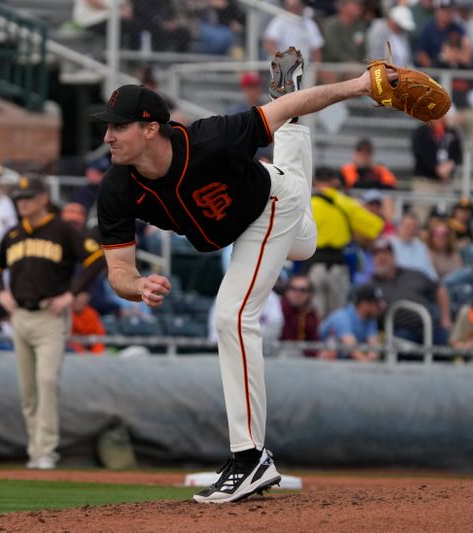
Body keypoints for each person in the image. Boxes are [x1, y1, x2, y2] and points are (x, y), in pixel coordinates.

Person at [92, 48, 388, 503]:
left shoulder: (211, 139)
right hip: (253, 212)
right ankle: (292, 148)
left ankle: (250, 457)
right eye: (107, 125)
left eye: (118, 125)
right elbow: (119, 272)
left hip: (269, 205)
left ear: (151, 128)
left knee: (231, 316)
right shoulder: (116, 186)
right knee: (304, 247)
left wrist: (362, 85)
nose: (108, 135)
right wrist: (137, 285)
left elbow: (286, 108)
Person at [0, 177, 103, 470]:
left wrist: (72, 294)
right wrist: (1, 292)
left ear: (43, 199)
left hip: (50, 316)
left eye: (28, 197)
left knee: (47, 382)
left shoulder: (62, 229)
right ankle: (34, 449)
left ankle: (46, 452)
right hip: (21, 316)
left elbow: (95, 258)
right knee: (28, 389)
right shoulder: (13, 234)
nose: (22, 202)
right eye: (19, 198)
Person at [309, 166, 384, 318]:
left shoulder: (308, 202)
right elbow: (376, 226)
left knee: (316, 315)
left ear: (315, 181)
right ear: (334, 181)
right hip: (337, 265)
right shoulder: (346, 203)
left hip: (313, 264)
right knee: (337, 316)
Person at [369, 237, 452, 345]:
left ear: (393, 256)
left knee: (443, 339)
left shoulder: (412, 274)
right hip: (399, 330)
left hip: (427, 325)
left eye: (385, 254)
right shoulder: (371, 285)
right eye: (376, 255)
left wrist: (446, 318)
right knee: (401, 342)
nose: (381, 258)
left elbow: (440, 289)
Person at [409, 114, 463, 224]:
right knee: (421, 215)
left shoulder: (451, 132)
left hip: (446, 182)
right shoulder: (421, 132)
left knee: (448, 215)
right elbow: (419, 154)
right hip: (426, 181)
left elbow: (459, 155)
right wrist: (436, 169)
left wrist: (450, 165)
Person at [318, 283, 385, 361]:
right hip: (316, 361)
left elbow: (374, 344)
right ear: (364, 304)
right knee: (330, 352)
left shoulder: (370, 318)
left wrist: (373, 355)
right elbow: (353, 350)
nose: (381, 306)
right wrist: (369, 365)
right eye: (377, 303)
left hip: (343, 361)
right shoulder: (342, 317)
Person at [278, 272, 320, 357]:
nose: (298, 293)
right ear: (287, 291)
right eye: (293, 289)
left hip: (305, 362)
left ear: (310, 294)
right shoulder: (279, 309)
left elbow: (314, 342)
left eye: (303, 290)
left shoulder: (311, 313)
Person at [391, 211, 438, 280]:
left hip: (420, 285)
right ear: (399, 226)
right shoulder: (389, 244)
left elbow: (431, 274)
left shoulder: (421, 247)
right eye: (408, 226)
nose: (411, 230)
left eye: (414, 227)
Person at [320, 0, 367, 64]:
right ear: (343, 6)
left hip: (358, 67)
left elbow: (364, 50)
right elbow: (333, 51)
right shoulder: (331, 25)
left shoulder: (360, 26)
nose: (360, 7)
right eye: (355, 4)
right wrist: (350, 62)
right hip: (334, 67)